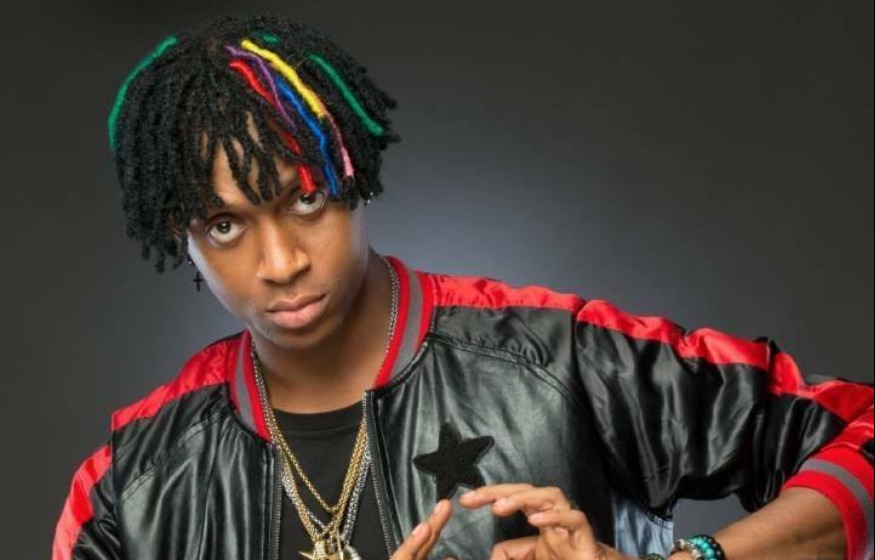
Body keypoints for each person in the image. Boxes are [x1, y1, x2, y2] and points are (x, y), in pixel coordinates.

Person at [53, 13, 873, 560]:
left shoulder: (557, 361)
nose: (279, 261)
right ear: (181, 234)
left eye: (305, 200)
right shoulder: (132, 484)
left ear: (356, 176)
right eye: (225, 225)